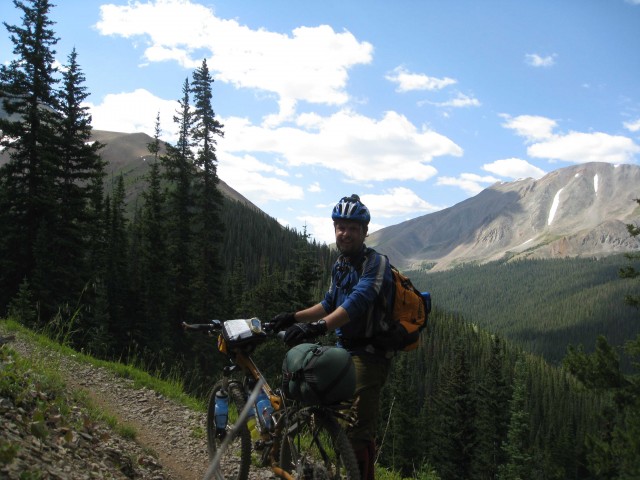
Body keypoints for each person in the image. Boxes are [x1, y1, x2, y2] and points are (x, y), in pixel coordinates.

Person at [272, 194, 398, 480]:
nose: (346, 233)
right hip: (343, 349)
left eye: (353, 227)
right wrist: (294, 317)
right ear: (334, 229)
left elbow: (358, 301)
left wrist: (318, 328)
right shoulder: (340, 264)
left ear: (365, 231)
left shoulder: (376, 263)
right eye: (341, 226)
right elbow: (329, 303)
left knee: (357, 432)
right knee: (323, 407)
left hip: (371, 355)